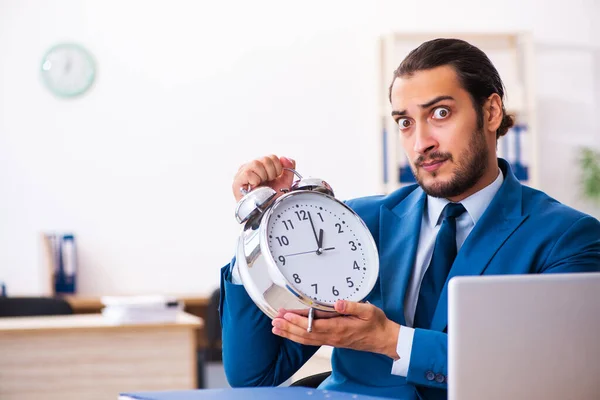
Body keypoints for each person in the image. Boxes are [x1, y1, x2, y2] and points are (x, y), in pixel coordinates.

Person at [218, 38, 600, 400]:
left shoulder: (569, 238)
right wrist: (262, 222)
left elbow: (546, 372)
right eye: (405, 122)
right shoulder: (355, 225)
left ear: (491, 112)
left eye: (440, 113)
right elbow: (254, 374)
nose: (421, 143)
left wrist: (389, 340)